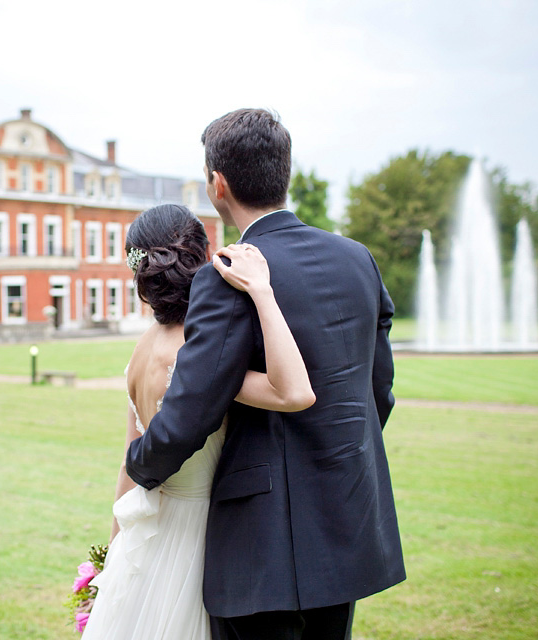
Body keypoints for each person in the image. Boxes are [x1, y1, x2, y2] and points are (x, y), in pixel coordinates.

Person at [126, 109, 406, 640]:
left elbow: (190, 411)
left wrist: (139, 464)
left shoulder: (225, 276)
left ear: (218, 183)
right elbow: (378, 390)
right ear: (285, 171)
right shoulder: (357, 260)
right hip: (346, 520)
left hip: (260, 546)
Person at [81, 203, 315, 640]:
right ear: (202, 259)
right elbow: (294, 392)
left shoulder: (142, 349)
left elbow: (128, 465)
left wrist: (111, 560)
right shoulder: (203, 352)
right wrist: (262, 293)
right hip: (203, 539)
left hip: (145, 538)